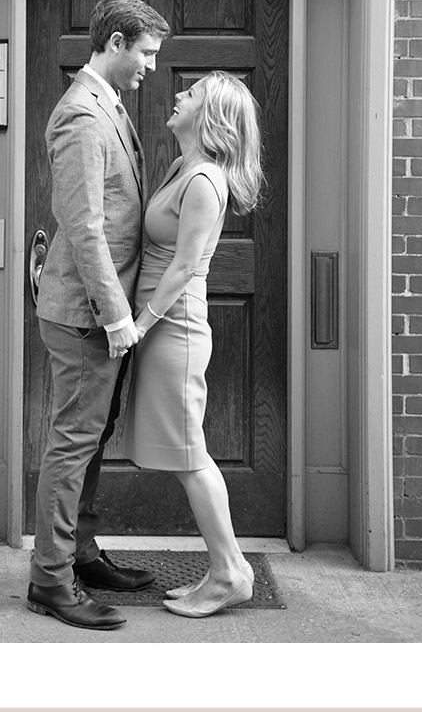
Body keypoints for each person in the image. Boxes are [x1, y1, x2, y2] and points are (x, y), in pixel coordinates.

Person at [27, 0, 170, 631]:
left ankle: (80, 555)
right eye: (144, 53)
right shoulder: (83, 117)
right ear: (115, 43)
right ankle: (50, 581)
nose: (149, 67)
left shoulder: (110, 105)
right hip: (86, 313)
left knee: (90, 439)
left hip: (103, 312)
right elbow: (83, 226)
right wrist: (117, 316)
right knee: (72, 443)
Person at [122, 71, 263, 618]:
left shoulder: (205, 181)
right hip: (162, 329)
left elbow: (184, 268)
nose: (178, 95)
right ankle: (231, 568)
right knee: (188, 454)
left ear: (209, 116)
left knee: (191, 457)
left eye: (191, 93)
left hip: (174, 329)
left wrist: (140, 324)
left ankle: (229, 573)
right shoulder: (184, 168)